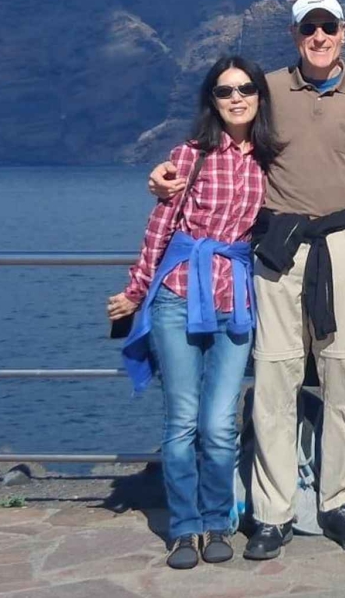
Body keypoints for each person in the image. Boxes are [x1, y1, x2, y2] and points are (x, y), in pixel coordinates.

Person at [149, 0, 345, 559]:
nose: (319, 36)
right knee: (276, 380)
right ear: (294, 35)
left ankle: (343, 503)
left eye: (327, 26)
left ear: (344, 32)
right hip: (278, 252)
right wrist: (165, 175)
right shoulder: (269, 92)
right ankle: (272, 513)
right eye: (308, 27)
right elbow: (221, 138)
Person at [108, 56, 279, 569]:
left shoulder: (271, 160)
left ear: (258, 96)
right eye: (225, 91)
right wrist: (138, 290)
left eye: (246, 89)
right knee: (181, 420)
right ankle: (184, 528)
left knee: (221, 423)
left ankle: (217, 520)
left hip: (236, 302)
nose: (236, 98)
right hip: (179, 294)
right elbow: (159, 228)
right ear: (212, 99)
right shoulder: (189, 155)